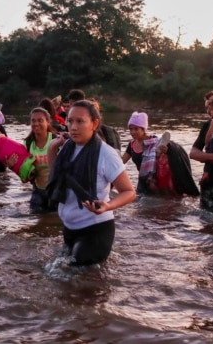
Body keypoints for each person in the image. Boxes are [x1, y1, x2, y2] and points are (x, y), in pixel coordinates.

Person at [46, 100, 136, 266]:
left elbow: (129, 192)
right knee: (63, 278)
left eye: (80, 121)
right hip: (69, 228)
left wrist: (108, 206)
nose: (73, 127)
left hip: (95, 229)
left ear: (94, 124)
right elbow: (57, 175)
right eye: (70, 120)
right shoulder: (67, 147)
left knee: (75, 280)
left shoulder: (106, 154)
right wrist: (51, 149)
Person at [7, 107, 59, 212]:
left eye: (40, 120)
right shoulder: (28, 143)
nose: (36, 123)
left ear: (48, 122)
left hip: (56, 191)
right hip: (38, 190)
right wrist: (13, 167)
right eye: (33, 120)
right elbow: (25, 175)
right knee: (36, 220)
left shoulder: (56, 141)